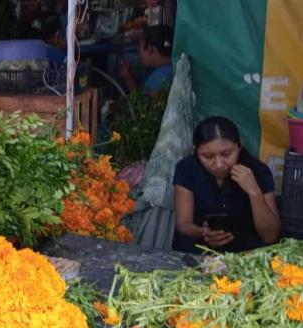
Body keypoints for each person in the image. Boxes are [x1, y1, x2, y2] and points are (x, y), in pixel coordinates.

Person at [172, 117, 281, 254]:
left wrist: (254, 193)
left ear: (239, 146)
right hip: (199, 252)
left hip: (248, 255)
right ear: (196, 151)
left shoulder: (258, 171)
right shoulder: (187, 168)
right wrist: (203, 233)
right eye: (208, 156)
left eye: (226, 154)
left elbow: (270, 236)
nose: (218, 164)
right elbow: (183, 223)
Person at [119, 25, 174, 94]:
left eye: (139, 48)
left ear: (149, 49)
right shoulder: (169, 66)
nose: (139, 53)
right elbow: (139, 96)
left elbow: (140, 102)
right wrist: (129, 76)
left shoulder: (160, 79)